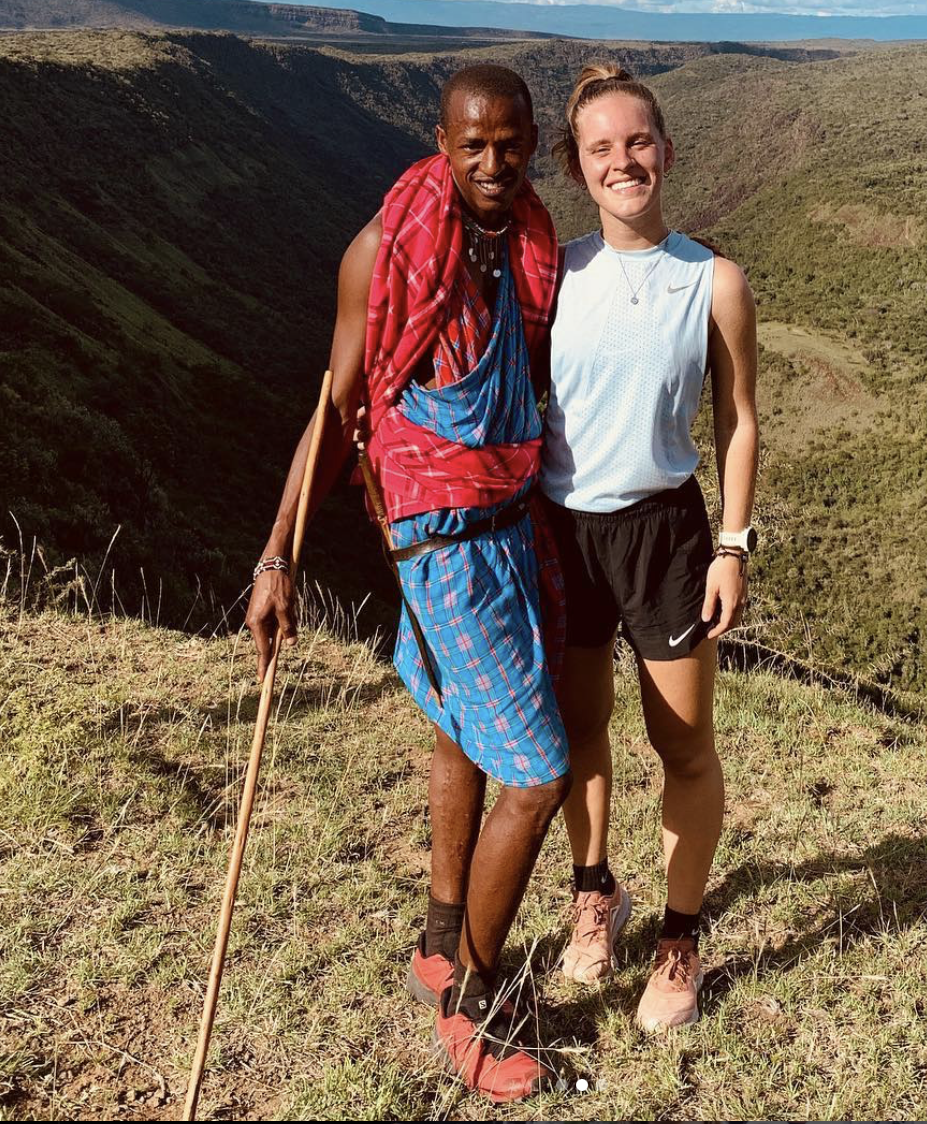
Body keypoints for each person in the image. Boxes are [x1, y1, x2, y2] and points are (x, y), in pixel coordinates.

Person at [244, 64, 571, 1101]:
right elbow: (339, 407)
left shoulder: (531, 238)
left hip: (512, 520)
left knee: (464, 731)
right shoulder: (385, 249)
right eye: (472, 145)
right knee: (538, 774)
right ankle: (473, 1003)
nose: (492, 163)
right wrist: (279, 554)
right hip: (441, 541)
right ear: (440, 140)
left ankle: (439, 938)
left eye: (509, 143)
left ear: (532, 141)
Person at [540, 63, 759, 1031]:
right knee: (579, 730)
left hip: (666, 533)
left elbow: (739, 418)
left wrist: (732, 544)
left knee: (683, 746)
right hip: (564, 528)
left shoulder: (712, 281)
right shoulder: (554, 273)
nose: (622, 161)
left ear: (666, 150)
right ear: (577, 167)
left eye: (637, 142)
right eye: (602, 148)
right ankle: (595, 894)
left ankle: (680, 938)